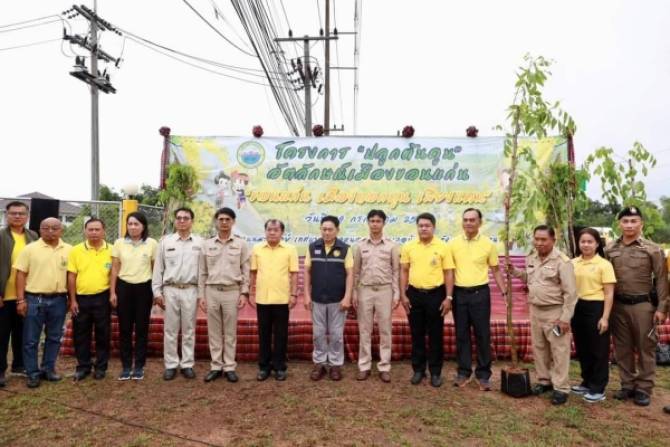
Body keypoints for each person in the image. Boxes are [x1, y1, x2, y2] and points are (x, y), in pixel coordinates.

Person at [604, 206, 668, 406]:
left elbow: (661, 279)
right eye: (625, 221)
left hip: (643, 306)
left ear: (641, 224)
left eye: (634, 221)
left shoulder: (653, 249)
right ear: (619, 224)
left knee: (645, 347)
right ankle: (627, 385)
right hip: (618, 306)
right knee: (622, 348)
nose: (629, 225)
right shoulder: (609, 249)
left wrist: (662, 308)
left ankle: (644, 388)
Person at [509, 225, 577, 405]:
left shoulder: (562, 261)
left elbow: (571, 294)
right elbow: (529, 279)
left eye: (543, 239)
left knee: (559, 350)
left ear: (553, 240)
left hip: (555, 312)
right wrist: (514, 271)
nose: (539, 243)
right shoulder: (531, 258)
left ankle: (561, 388)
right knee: (539, 348)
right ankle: (544, 381)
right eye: (536, 239)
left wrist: (565, 319)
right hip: (535, 310)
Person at [445, 208, 506, 391]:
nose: (468, 223)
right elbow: (449, 272)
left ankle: (483, 374)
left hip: (481, 294)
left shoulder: (488, 244)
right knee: (461, 334)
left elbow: (496, 270)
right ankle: (463, 372)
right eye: (465, 220)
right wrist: (448, 296)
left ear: (480, 222)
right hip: (459, 294)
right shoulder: (453, 244)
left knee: (482, 334)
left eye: (472, 220)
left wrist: (505, 292)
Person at [14, 217, 72, 388]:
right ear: (40, 230)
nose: (50, 231)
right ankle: (32, 373)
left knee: (54, 337)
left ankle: (48, 369)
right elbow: (21, 274)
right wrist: (20, 300)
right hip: (35, 299)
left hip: (59, 299)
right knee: (31, 339)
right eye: (46, 228)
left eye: (54, 228)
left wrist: (71, 298)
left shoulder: (69, 250)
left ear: (61, 230)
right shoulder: (30, 249)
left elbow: (71, 275)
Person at [198, 207, 250, 383]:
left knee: (230, 332)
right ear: (216, 221)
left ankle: (229, 367)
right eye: (221, 219)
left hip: (232, 292)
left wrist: (244, 293)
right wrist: (201, 296)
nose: (224, 222)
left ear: (233, 222)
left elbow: (246, 270)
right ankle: (215, 366)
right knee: (213, 332)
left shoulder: (241, 244)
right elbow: (202, 272)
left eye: (228, 219)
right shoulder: (207, 245)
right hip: (211, 291)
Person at [400, 212, 451, 387]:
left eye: (427, 225)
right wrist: (403, 294)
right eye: (420, 225)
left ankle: (435, 372)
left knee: (436, 335)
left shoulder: (443, 247)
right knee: (417, 334)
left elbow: (448, 272)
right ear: (417, 227)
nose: (423, 228)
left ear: (433, 227)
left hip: (436, 295)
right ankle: (419, 370)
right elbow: (404, 271)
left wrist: (448, 297)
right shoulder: (409, 246)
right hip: (414, 294)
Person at [153, 207, 203, 381]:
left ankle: (187, 364)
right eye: (179, 218)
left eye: (186, 218)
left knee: (189, 329)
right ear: (175, 221)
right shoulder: (165, 242)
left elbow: (203, 271)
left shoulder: (200, 243)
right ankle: (171, 365)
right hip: (170, 290)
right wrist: (157, 292)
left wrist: (201, 294)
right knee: (170, 330)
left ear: (192, 221)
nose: (182, 221)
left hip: (191, 289)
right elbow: (158, 269)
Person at [569, 227, 616, 403]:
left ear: (597, 244)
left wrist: (605, 318)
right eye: (583, 241)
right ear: (578, 243)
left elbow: (609, 293)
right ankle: (587, 381)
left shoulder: (604, 264)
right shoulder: (573, 263)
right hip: (577, 307)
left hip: (596, 307)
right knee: (583, 347)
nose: (586, 245)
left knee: (598, 349)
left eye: (590, 241)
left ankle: (598, 388)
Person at [352, 209, 399, 383]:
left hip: (385, 290)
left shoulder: (392, 246)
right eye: (372, 221)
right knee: (365, 329)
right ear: (368, 223)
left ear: (384, 223)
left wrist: (396, 293)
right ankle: (364, 366)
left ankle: (384, 366)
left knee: (385, 330)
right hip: (365, 290)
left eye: (378, 221)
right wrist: (354, 292)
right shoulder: (360, 246)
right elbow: (356, 272)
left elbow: (396, 271)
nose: (375, 224)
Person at [304, 215, 353, 381]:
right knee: (318, 334)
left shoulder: (345, 249)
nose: (326, 232)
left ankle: (335, 365)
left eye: (330, 229)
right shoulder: (312, 247)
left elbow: (350, 274)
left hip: (338, 300)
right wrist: (306, 295)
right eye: (324, 229)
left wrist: (347, 297)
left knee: (336, 335)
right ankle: (319, 363)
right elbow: (307, 272)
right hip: (317, 299)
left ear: (337, 230)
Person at [110, 211, 158, 381]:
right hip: (124, 288)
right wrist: (112, 292)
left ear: (143, 226)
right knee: (125, 328)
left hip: (144, 289)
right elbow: (114, 269)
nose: (132, 227)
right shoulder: (119, 243)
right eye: (130, 224)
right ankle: (125, 366)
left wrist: (155, 292)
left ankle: (139, 366)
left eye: (136, 224)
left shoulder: (152, 243)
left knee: (142, 329)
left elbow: (155, 269)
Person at [250, 219, 299, 381]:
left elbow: (294, 274)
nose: (272, 232)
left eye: (275, 230)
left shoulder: (290, 249)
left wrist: (293, 295)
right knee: (263, 334)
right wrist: (251, 293)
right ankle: (264, 367)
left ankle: (279, 367)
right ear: (265, 231)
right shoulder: (257, 248)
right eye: (269, 229)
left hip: (282, 299)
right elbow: (253, 273)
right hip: (262, 299)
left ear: (282, 232)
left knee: (281, 335)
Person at [67, 218, 113, 381]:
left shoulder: (112, 250)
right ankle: (83, 366)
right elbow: (71, 276)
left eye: (97, 229)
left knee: (103, 333)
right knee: (80, 334)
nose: (94, 232)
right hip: (81, 298)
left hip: (103, 298)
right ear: (85, 231)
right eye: (90, 229)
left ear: (104, 231)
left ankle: (101, 367)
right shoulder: (76, 250)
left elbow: (114, 275)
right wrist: (73, 300)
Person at [0, 201, 38, 387]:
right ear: (6, 215)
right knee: (1, 335)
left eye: (21, 213)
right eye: (13, 213)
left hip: (25, 294)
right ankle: (0, 370)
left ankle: (19, 365)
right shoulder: (1, 236)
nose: (17, 216)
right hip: (4, 294)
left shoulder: (33, 236)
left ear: (27, 216)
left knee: (22, 333)